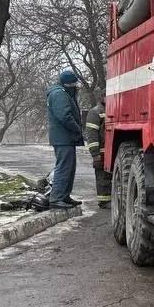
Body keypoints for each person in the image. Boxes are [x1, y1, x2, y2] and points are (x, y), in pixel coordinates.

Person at [46, 68, 84, 209]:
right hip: (63, 138)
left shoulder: (61, 93)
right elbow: (64, 116)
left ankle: (64, 196)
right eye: (73, 84)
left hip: (65, 138)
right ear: (68, 84)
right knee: (64, 167)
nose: (75, 87)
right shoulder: (59, 95)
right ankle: (56, 198)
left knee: (69, 167)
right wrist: (77, 129)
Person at [84, 97, 111, 208]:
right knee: (102, 176)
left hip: (109, 150)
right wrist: (95, 153)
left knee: (109, 176)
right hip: (101, 151)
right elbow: (91, 135)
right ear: (102, 97)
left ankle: (109, 199)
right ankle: (104, 201)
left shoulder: (111, 109)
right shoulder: (95, 112)